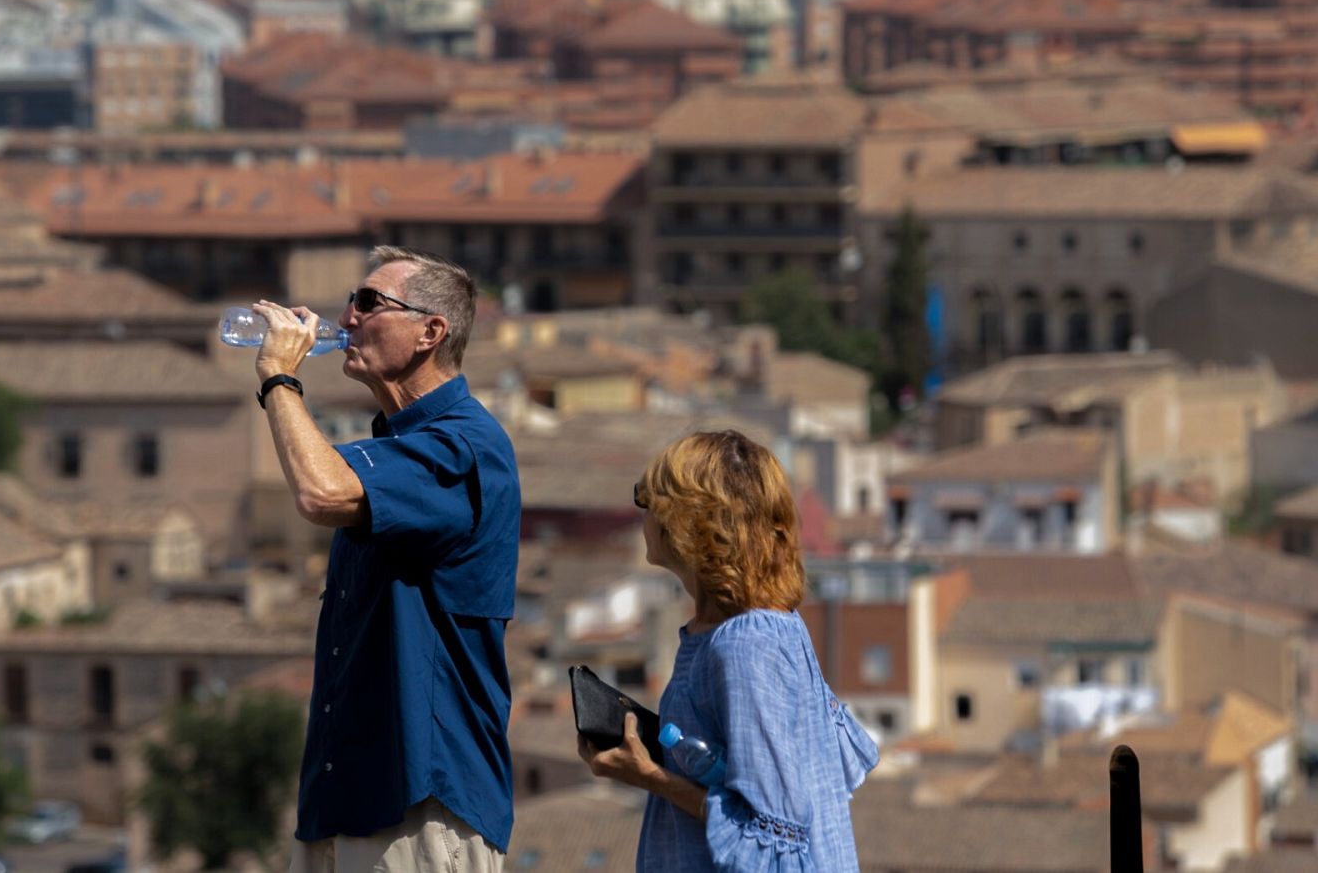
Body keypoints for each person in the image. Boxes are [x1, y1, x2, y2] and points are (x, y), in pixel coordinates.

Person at [252, 247, 520, 873]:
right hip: (344, 804)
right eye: (352, 299)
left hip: (419, 807)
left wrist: (279, 380)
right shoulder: (400, 449)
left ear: (431, 332)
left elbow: (320, 493)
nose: (347, 317)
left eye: (370, 303)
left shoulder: (461, 448)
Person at [577, 430, 878, 872]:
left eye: (649, 499)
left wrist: (650, 776)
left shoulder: (745, 645)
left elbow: (774, 839)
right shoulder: (746, 629)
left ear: (688, 522)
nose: (642, 512)